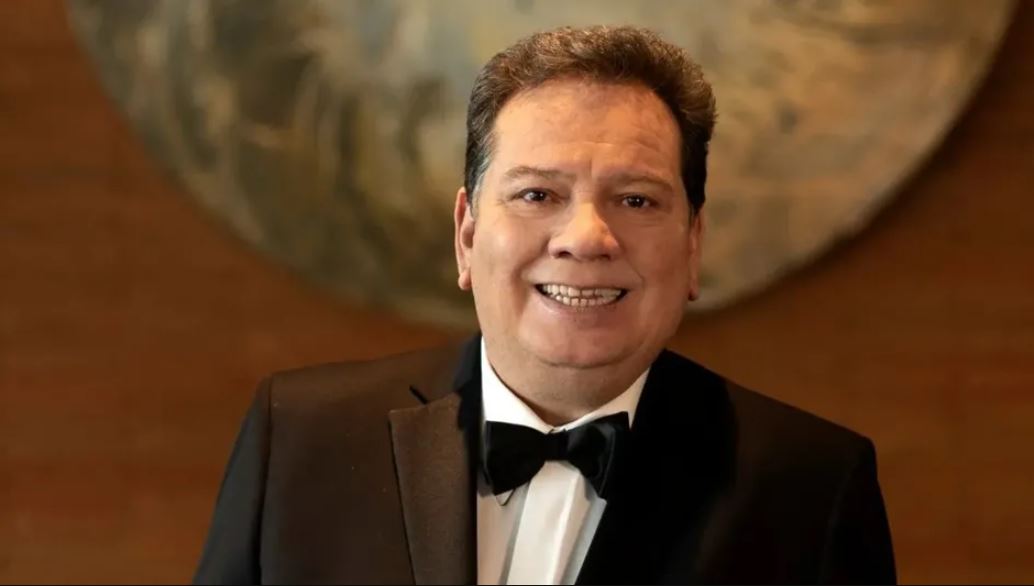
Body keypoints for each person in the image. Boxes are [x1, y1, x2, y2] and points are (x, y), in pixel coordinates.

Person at [193, 25, 895, 585]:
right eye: (537, 194)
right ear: (467, 235)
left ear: (692, 244)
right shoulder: (302, 437)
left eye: (636, 200)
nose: (586, 238)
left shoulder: (812, 486)